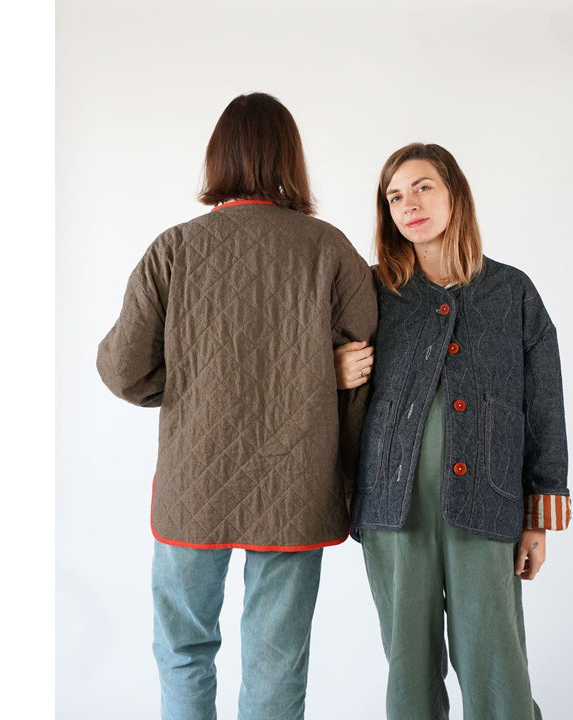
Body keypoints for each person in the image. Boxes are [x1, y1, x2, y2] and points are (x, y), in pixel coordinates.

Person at [96, 92, 377, 720]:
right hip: (296, 482)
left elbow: (122, 369)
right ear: (291, 158)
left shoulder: (174, 248)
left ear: (217, 158)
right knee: (277, 659)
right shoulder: (330, 249)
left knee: (183, 649)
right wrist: (318, 390)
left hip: (196, 480)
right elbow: (362, 370)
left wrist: (200, 384)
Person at [335, 142, 571, 720]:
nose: (409, 204)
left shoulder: (512, 292)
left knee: (497, 668)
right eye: (395, 197)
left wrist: (539, 517)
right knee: (409, 671)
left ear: (455, 194)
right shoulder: (372, 290)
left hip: (488, 502)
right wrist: (331, 370)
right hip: (393, 509)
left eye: (422, 188)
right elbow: (323, 377)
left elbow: (544, 404)